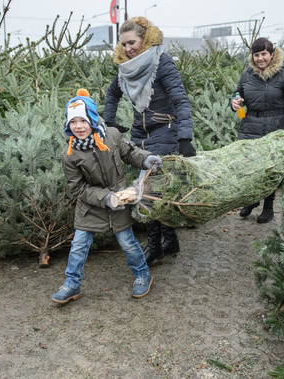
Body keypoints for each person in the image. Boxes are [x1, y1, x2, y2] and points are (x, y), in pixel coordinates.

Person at [51, 88, 163, 304]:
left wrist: (146, 159)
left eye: (82, 121)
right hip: (90, 206)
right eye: (73, 122)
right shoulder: (70, 154)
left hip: (120, 201)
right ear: (68, 125)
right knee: (79, 246)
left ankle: (143, 276)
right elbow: (78, 189)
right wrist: (105, 198)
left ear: (92, 119)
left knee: (128, 242)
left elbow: (130, 153)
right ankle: (71, 284)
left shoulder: (111, 135)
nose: (78, 127)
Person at [103, 16, 196, 265]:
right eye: (124, 44)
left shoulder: (161, 63)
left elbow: (180, 99)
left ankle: (155, 246)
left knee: (149, 191)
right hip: (139, 135)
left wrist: (185, 136)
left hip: (165, 130)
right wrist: (109, 121)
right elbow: (112, 94)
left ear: (144, 39)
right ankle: (170, 240)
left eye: (132, 42)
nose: (128, 48)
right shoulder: (126, 68)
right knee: (152, 190)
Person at [230, 37, 284, 223]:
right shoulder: (248, 74)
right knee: (249, 166)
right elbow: (238, 93)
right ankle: (252, 200)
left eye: (264, 54)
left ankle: (268, 207)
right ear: (252, 57)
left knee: (270, 169)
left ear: (272, 54)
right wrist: (235, 103)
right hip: (250, 126)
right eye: (256, 55)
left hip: (276, 126)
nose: (260, 58)